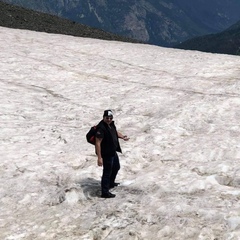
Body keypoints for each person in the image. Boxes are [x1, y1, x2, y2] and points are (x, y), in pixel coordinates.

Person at [95, 110, 129, 198]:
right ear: (103, 117)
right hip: (106, 153)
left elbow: (115, 132)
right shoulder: (101, 128)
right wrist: (99, 158)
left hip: (113, 151)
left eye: (110, 118)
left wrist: (122, 136)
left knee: (116, 167)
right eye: (107, 118)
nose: (109, 119)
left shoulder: (111, 125)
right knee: (107, 172)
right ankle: (105, 192)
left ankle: (110, 183)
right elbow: (98, 143)